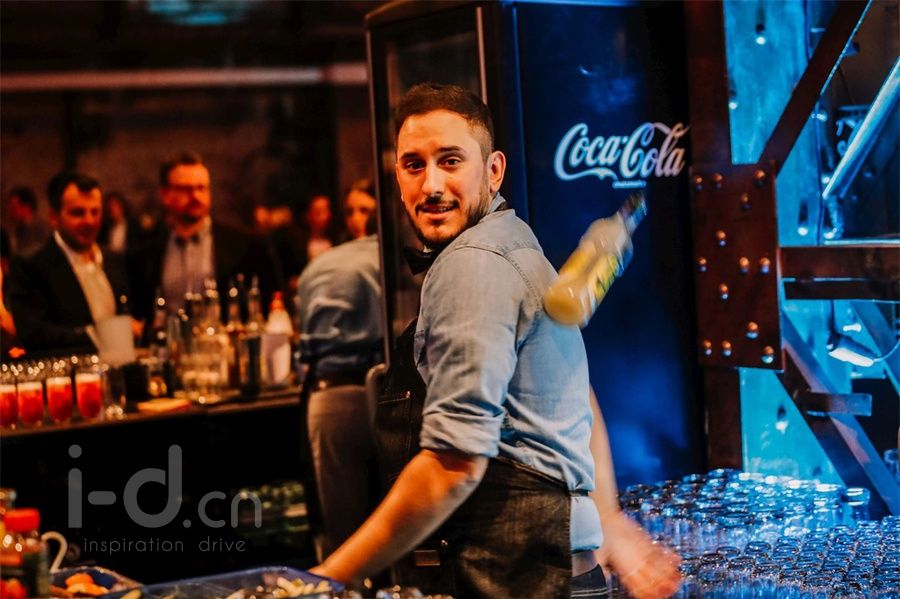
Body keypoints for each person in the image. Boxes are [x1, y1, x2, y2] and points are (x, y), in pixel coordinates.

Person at [311, 84, 679, 598]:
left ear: (493, 170)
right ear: (396, 177)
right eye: (414, 165)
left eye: (450, 161)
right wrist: (608, 518)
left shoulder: (472, 264)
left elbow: (453, 465)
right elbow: (579, 395)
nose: (431, 184)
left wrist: (323, 579)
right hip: (562, 576)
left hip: (518, 580)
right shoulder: (516, 243)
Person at [296, 185, 382, 559]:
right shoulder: (400, 261)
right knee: (401, 531)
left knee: (344, 542)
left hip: (328, 396)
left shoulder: (319, 265)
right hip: (389, 393)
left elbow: (304, 350)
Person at [127, 151, 283, 323]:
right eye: (185, 189)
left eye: (201, 188)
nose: (195, 196)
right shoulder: (146, 252)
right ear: (165, 195)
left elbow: (273, 307)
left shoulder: (246, 246)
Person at [6, 171, 132, 352]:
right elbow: (34, 335)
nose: (89, 221)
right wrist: (98, 335)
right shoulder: (31, 265)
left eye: (95, 212)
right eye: (78, 213)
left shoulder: (114, 260)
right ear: (54, 217)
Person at [2, 185, 51, 259]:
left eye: (14, 208)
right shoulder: (19, 229)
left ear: (27, 207)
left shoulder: (42, 229)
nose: (11, 212)